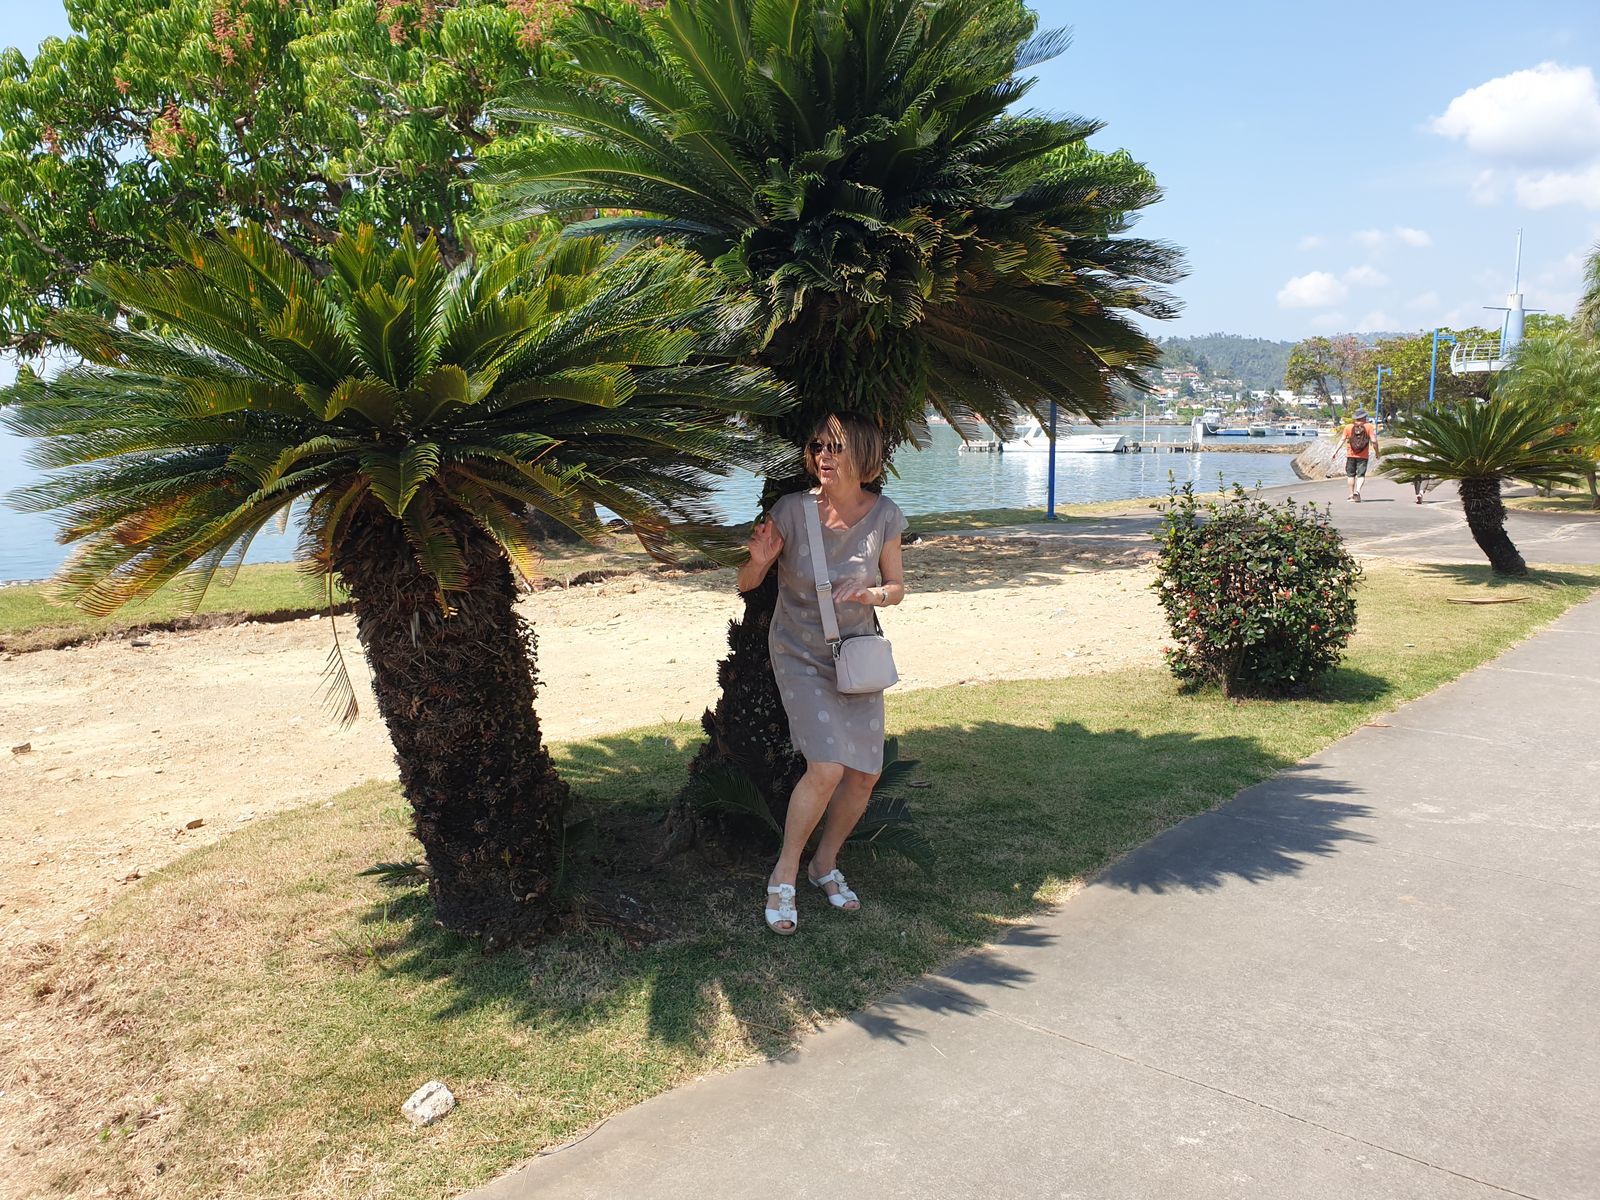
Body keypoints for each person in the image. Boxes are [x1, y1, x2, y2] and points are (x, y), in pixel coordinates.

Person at [737, 413, 908, 935]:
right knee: (828, 766)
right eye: (817, 447)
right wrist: (759, 562)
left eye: (835, 448)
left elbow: (897, 587)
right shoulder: (792, 511)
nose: (823, 457)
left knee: (865, 773)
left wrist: (873, 594)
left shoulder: (885, 515)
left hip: (856, 655)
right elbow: (746, 585)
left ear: (863, 455)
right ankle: (784, 873)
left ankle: (824, 864)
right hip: (799, 653)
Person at [1336, 409, 1379, 501]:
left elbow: (1342, 440)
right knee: (1361, 475)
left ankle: (1351, 495)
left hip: (1350, 455)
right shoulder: (1369, 427)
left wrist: (1336, 451)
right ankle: (1358, 491)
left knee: (1351, 475)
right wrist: (1377, 452)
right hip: (1363, 456)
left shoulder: (1348, 427)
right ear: (1363, 417)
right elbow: (1374, 441)